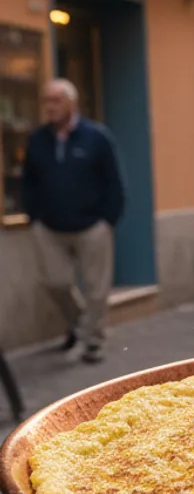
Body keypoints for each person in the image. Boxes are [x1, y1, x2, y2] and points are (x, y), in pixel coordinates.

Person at [21, 79, 125, 364]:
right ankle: (80, 323)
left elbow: (113, 182)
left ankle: (94, 342)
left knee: (96, 289)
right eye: (46, 101)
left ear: (71, 103)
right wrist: (34, 217)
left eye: (55, 100)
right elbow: (28, 181)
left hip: (93, 226)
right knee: (55, 282)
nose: (50, 107)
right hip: (50, 227)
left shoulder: (96, 137)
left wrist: (108, 219)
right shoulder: (38, 139)